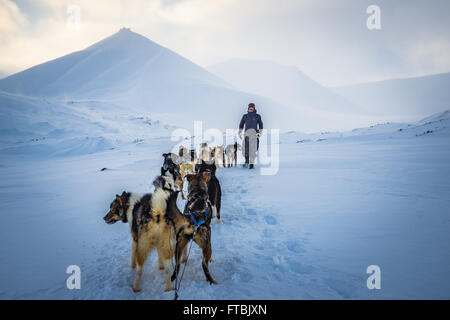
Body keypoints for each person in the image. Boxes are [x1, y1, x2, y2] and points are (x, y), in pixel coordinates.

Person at [238, 103, 263, 169]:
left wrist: (259, 132)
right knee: (245, 149)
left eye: (252, 107)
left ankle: (251, 164)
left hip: (254, 135)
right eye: (250, 107)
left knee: (253, 149)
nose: (251, 108)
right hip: (247, 135)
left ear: (254, 108)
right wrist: (240, 131)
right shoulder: (245, 116)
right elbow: (241, 124)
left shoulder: (257, 116)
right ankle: (246, 162)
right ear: (248, 108)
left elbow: (260, 124)